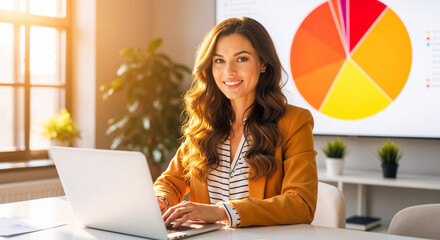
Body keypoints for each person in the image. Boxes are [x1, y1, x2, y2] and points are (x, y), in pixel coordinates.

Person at [153, 17, 317, 228]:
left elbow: (302, 203)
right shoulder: (205, 122)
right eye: (219, 60)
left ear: (263, 63)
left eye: (241, 59)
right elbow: (170, 181)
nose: (228, 71)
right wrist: (161, 200)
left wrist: (221, 212)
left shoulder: (294, 122)